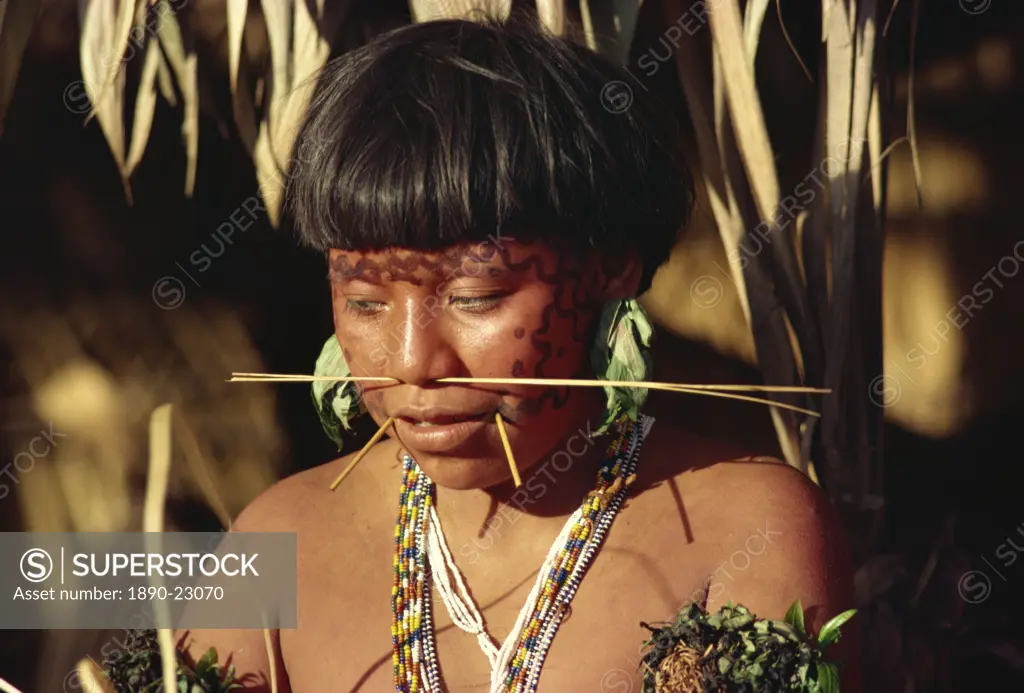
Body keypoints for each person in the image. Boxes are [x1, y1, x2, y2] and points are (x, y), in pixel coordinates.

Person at [177, 13, 860, 692]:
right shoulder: (277, 541)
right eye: (365, 301)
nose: (414, 362)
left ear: (611, 268)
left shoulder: (748, 526)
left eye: (475, 297)